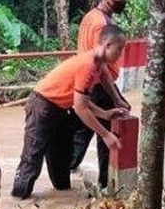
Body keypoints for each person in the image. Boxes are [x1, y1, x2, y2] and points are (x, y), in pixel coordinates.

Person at [11, 24, 129, 199]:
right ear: (108, 45)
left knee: (61, 157)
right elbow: (80, 108)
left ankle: (62, 196)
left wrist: (110, 108)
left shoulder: (99, 63)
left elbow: (103, 80)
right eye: (119, 50)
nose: (120, 56)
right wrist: (105, 134)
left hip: (60, 109)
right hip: (42, 105)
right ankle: (19, 199)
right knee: (32, 157)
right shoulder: (88, 65)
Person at [69, 0, 131, 189]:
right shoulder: (101, 24)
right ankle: (107, 183)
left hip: (88, 82)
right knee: (108, 132)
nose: (123, 1)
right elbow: (101, 63)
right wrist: (116, 96)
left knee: (83, 130)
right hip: (98, 82)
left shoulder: (89, 17)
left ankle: (70, 167)